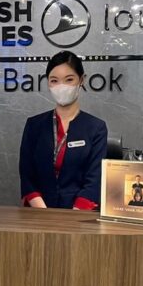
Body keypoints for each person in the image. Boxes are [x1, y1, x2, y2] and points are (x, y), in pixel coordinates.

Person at [19, 51, 108, 210]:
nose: (62, 86)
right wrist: (44, 213)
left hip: (80, 216)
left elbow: (94, 180)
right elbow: (27, 176)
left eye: (69, 79)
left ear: (81, 80)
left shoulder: (96, 128)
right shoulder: (34, 125)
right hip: (39, 212)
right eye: (54, 80)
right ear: (48, 83)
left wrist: (72, 217)